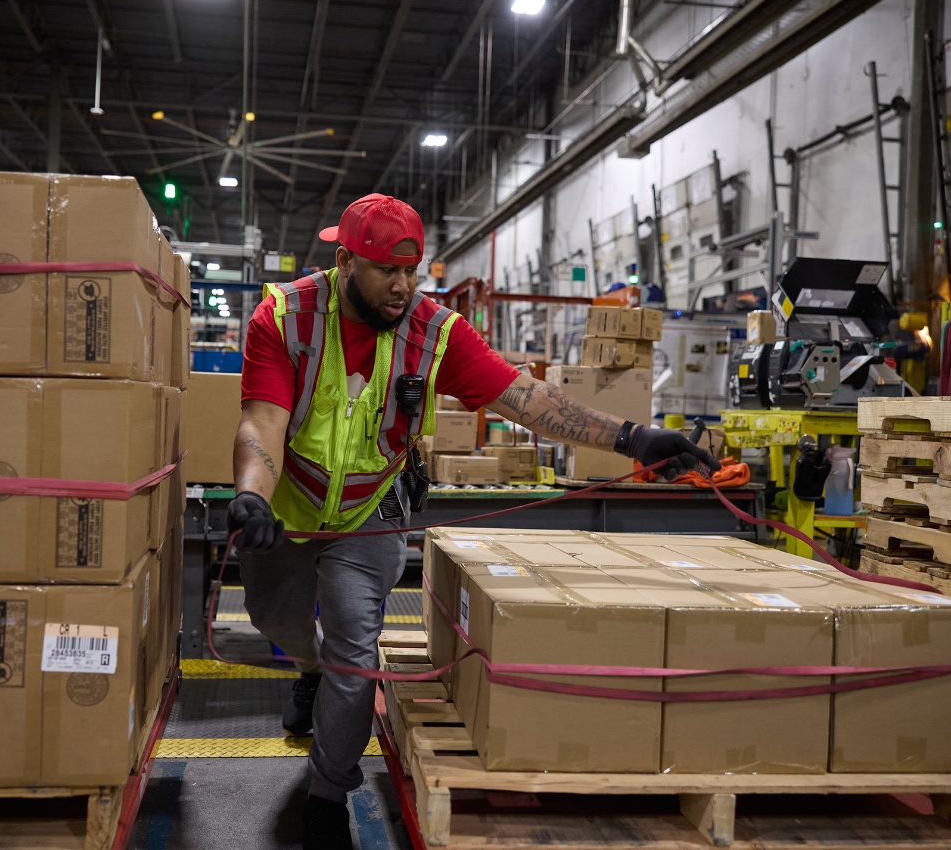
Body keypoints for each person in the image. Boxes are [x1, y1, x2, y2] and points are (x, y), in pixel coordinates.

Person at [228, 193, 719, 850]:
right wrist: (253, 496)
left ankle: (326, 794)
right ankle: (307, 666)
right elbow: (264, 420)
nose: (403, 286)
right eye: (384, 271)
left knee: (356, 654)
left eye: (413, 271)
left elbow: (525, 398)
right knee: (277, 621)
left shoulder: (434, 332)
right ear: (345, 260)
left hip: (371, 514)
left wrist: (631, 436)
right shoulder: (284, 318)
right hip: (286, 511)